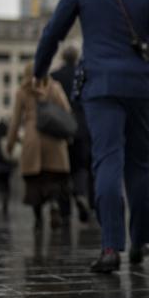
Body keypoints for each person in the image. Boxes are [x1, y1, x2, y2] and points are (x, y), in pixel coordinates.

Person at [33, 0, 149, 273]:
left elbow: (54, 30)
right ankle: (142, 240)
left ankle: (111, 247)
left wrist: (39, 72)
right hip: (143, 86)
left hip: (101, 87)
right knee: (139, 163)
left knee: (107, 161)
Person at [5, 63, 72, 230]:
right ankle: (54, 204)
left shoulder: (22, 91)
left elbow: (14, 122)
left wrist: (10, 144)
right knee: (53, 178)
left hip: (32, 138)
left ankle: (38, 219)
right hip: (54, 139)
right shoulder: (55, 87)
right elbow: (66, 110)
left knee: (34, 181)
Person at [51, 45, 93, 223]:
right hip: (82, 128)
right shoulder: (85, 75)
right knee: (81, 166)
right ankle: (81, 195)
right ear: (76, 58)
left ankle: (64, 210)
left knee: (61, 170)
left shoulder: (54, 77)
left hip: (60, 130)